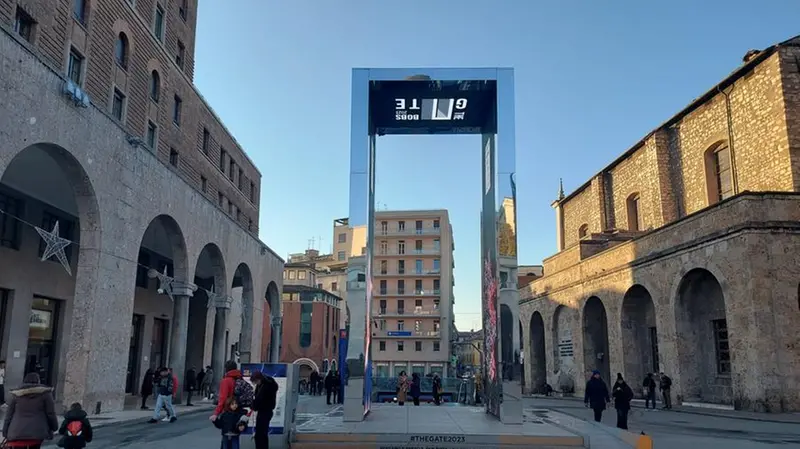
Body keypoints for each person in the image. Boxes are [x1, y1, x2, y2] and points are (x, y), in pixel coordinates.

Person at [2, 372, 60, 449]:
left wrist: (5, 432)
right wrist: (54, 427)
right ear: (38, 381)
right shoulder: (45, 394)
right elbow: (50, 413)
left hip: (16, 431)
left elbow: (9, 415)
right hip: (37, 432)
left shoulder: (16, 394)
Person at [250, 370, 279, 449]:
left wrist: (254, 405)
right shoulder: (262, 385)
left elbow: (260, 399)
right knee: (261, 434)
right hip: (264, 411)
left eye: (255, 381)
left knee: (261, 434)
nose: (255, 383)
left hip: (265, 411)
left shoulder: (266, 386)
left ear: (259, 379)